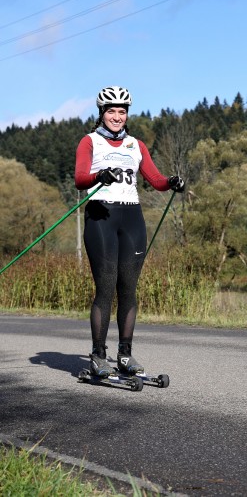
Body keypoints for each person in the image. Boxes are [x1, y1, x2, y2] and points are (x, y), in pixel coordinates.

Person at [74, 85, 185, 378]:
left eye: (121, 111)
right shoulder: (89, 142)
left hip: (132, 217)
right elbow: (80, 179)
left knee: (128, 289)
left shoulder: (135, 145)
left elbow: (155, 179)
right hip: (101, 216)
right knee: (106, 286)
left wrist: (171, 181)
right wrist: (100, 175)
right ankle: (98, 355)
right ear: (101, 113)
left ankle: (125, 354)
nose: (117, 116)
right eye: (111, 111)